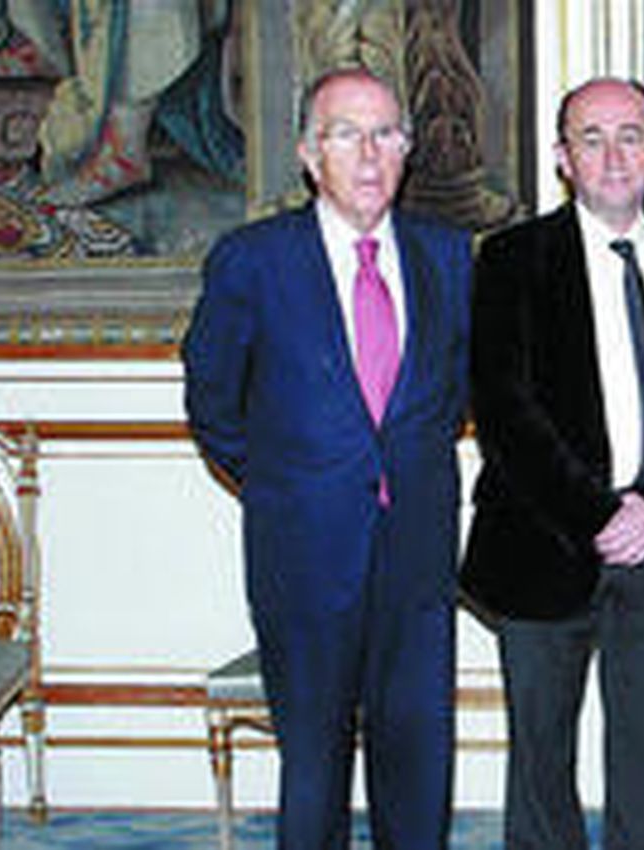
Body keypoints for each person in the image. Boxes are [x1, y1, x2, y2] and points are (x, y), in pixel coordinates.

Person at [182, 67, 470, 849]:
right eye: (347, 133)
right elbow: (212, 401)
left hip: (417, 555)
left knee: (418, 763)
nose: (370, 154)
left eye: (386, 134)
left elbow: (455, 394)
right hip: (303, 556)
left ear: (407, 150)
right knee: (313, 771)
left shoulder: (449, 257)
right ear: (311, 154)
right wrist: (287, 482)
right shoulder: (252, 260)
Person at [458, 77, 644, 850]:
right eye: (592, 137)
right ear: (562, 158)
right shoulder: (511, 258)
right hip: (544, 542)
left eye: (631, 135)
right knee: (542, 767)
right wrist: (600, 514)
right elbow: (505, 409)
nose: (614, 154)